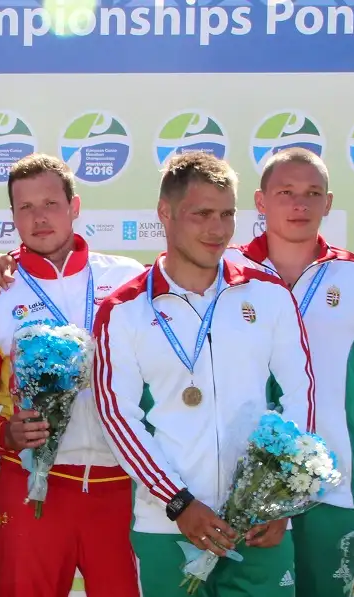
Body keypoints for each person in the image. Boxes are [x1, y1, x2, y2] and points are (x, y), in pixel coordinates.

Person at [92, 152, 315, 597]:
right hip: (168, 526)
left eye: (228, 214)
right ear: (165, 214)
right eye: (202, 214)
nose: (217, 229)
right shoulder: (124, 310)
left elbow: (301, 396)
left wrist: (282, 498)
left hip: (259, 525)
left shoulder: (268, 294)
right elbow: (118, 417)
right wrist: (178, 502)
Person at [224, 147, 354, 597]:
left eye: (312, 193)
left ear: (328, 203)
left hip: (331, 489)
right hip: (241, 488)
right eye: (286, 192)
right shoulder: (228, 272)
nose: (300, 204)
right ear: (260, 202)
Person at [0, 153, 144, 597]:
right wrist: (6, 435)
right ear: (13, 216)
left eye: (51, 204)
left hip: (122, 489)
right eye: (26, 208)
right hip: (33, 490)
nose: (39, 218)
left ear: (75, 208)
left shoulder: (130, 279)